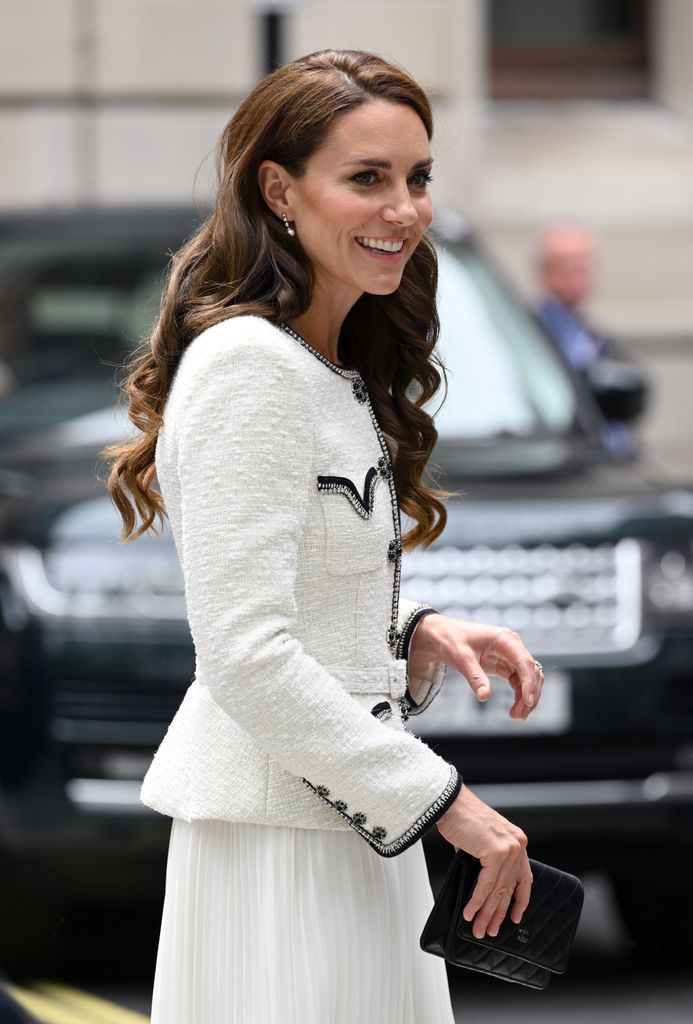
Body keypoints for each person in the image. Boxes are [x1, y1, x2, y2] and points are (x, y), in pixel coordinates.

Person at [103, 49, 545, 1024]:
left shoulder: (324, 369)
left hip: (352, 829)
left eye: (418, 178)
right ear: (280, 190)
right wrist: (448, 805)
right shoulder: (249, 368)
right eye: (367, 179)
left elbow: (305, 587)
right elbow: (246, 653)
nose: (405, 209)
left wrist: (414, 630)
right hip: (281, 853)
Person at [534, 222, 639, 457]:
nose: (577, 277)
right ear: (545, 273)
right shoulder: (533, 331)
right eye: (566, 268)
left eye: (584, 268)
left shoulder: (595, 337)